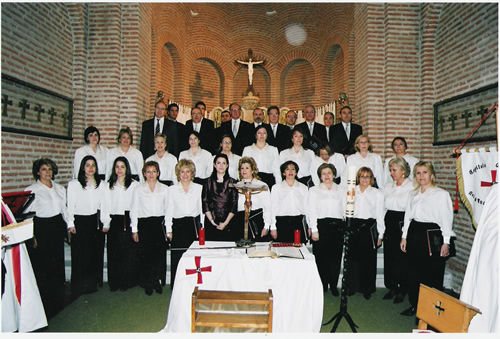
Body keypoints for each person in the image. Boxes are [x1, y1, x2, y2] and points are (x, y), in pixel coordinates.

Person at [400, 161, 455, 316]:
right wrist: (404, 236)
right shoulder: (412, 194)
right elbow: (407, 217)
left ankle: (431, 310)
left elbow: (446, 219)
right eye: (418, 173)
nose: (421, 176)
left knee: (432, 273)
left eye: (425, 172)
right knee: (413, 273)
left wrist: (446, 242)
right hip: (415, 232)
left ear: (432, 175)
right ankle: (415, 305)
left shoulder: (441, 194)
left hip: (432, 235)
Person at [24, 158, 68, 317]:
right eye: (44, 169)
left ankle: (57, 298)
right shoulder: (32, 190)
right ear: (37, 172)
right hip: (41, 228)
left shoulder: (59, 188)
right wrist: (32, 236)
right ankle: (44, 301)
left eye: (49, 169)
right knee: (43, 265)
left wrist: (67, 227)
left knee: (57, 262)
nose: (47, 172)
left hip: (56, 226)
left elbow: (64, 209)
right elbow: (28, 216)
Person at [67, 155, 106, 295]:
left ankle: (90, 285)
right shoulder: (74, 184)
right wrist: (70, 223)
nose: (91, 168)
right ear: (83, 167)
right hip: (79, 221)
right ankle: (78, 286)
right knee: (79, 255)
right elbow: (70, 205)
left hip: (93, 221)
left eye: (93, 165)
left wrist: (105, 222)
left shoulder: (101, 184)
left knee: (92, 254)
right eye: (88, 165)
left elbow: (104, 204)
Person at [101, 156, 140, 292]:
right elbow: (105, 205)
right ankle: (114, 282)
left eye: (122, 167)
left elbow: (135, 206)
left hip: (127, 218)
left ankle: (126, 282)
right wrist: (106, 222)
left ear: (127, 168)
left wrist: (134, 227)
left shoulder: (134, 184)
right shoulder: (108, 185)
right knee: (114, 252)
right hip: (114, 220)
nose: (119, 170)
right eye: (117, 167)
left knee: (127, 252)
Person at [307, 163, 346, 296]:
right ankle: (322, 285)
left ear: (334, 174)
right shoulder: (313, 190)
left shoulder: (342, 190)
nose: (327, 176)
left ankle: (333, 285)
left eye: (329, 173)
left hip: (337, 226)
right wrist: (314, 229)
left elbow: (345, 210)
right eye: (323, 173)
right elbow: (311, 210)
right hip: (321, 226)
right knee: (321, 257)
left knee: (335, 257)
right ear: (320, 176)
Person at [130, 161, 169, 295]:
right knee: (146, 255)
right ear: (144, 174)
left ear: (158, 173)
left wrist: (168, 229)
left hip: (158, 224)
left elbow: (168, 210)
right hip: (144, 225)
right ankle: (148, 282)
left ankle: (156, 281)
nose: (151, 174)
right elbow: (134, 209)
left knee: (158, 255)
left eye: (154, 171)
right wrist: (134, 229)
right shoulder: (138, 189)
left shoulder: (165, 189)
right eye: (148, 171)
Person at [346, 167, 385, 300]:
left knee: (368, 260)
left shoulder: (376, 193)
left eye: (367, 177)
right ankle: (351, 286)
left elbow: (380, 215)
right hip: (354, 226)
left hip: (368, 228)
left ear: (371, 179)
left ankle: (366, 288)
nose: (364, 179)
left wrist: (380, 234)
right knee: (352, 259)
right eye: (362, 176)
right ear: (358, 178)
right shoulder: (352, 191)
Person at [165, 159, 204, 288]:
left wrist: (202, 228)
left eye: (188, 171)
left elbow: (202, 210)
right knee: (178, 258)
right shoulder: (172, 190)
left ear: (192, 173)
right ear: (178, 174)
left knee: (193, 258)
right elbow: (169, 211)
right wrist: (168, 229)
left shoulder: (199, 188)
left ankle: (192, 287)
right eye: (182, 172)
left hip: (193, 226)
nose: (185, 175)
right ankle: (176, 287)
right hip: (178, 226)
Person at [382, 157, 413, 304]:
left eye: (394, 170)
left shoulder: (412, 187)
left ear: (403, 171)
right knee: (390, 256)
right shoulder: (388, 186)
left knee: (402, 258)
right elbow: (383, 206)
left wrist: (405, 233)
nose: (391, 173)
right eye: (390, 170)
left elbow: (410, 210)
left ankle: (403, 289)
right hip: (390, 220)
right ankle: (392, 286)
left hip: (403, 221)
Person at [233, 157, 273, 242]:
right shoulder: (237, 186)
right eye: (242, 168)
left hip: (256, 222)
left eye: (247, 168)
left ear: (253, 170)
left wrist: (266, 226)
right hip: (241, 223)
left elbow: (268, 207)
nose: (244, 170)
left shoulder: (262, 186)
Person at [202, 154, 239, 241]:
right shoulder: (207, 182)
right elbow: (205, 201)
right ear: (214, 165)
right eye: (218, 163)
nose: (221, 166)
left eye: (224, 163)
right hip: (211, 222)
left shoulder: (233, 182)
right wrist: (212, 221)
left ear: (227, 165)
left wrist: (225, 223)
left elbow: (234, 204)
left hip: (229, 222)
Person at [270, 160, 308, 243]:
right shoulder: (276, 188)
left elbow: (307, 208)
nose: (290, 171)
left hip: (298, 222)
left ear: (296, 172)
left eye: (293, 169)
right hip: (282, 222)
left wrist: (309, 227)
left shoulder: (303, 188)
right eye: (287, 169)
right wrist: (273, 227)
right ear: (283, 173)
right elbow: (273, 208)